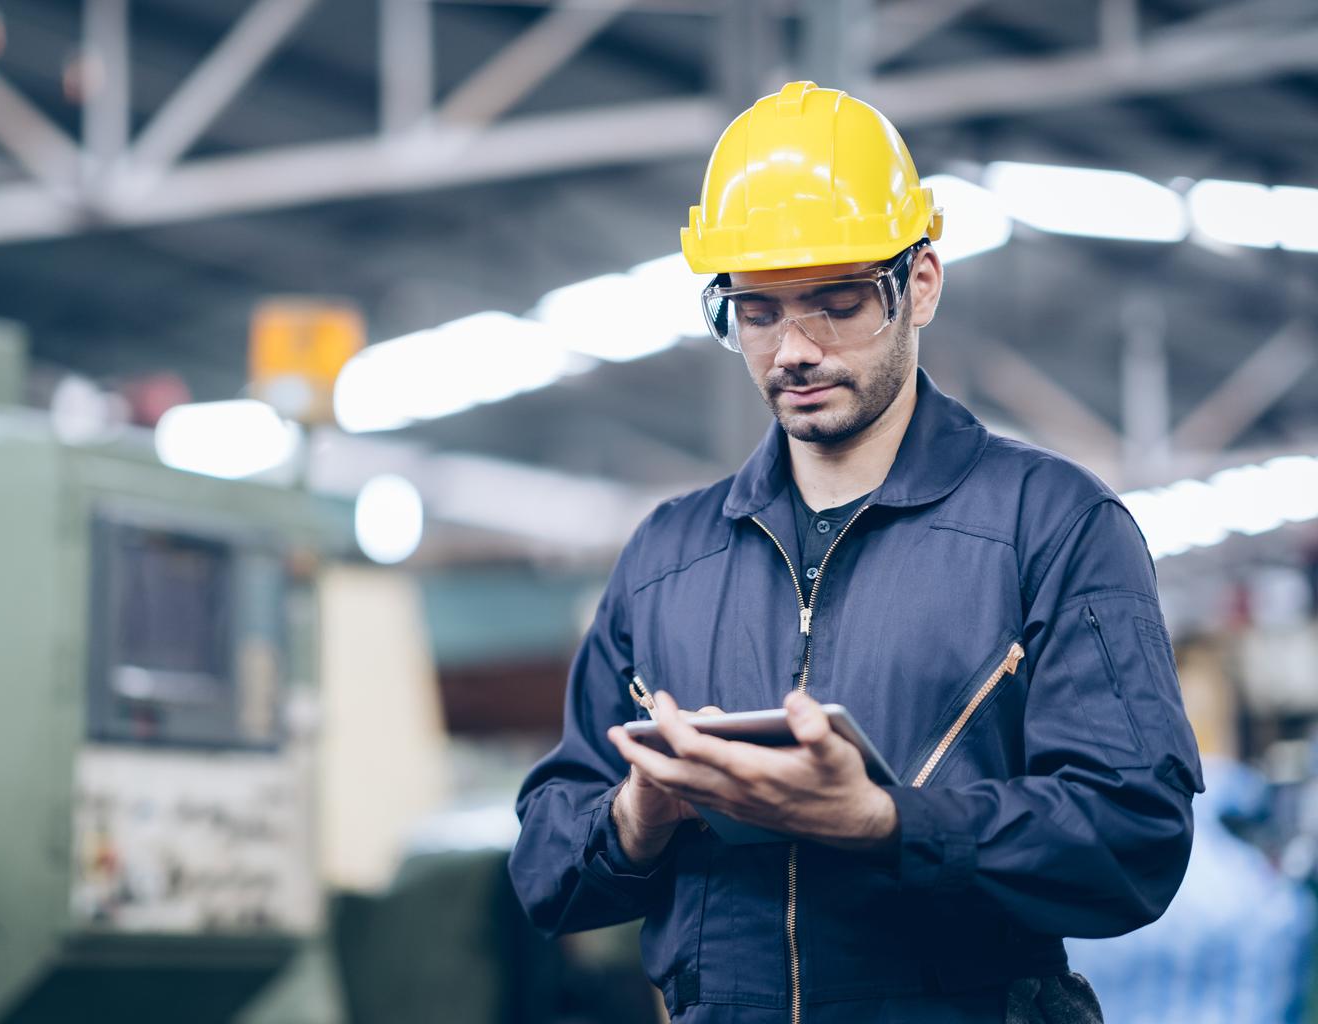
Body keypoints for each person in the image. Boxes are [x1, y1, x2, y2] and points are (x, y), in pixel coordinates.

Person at [507, 81, 1204, 1024]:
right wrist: (638, 817)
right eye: (757, 312)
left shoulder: (1053, 525)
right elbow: (547, 871)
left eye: (837, 304)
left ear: (921, 282)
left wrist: (885, 823)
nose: (793, 348)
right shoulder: (666, 561)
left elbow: (1134, 838)